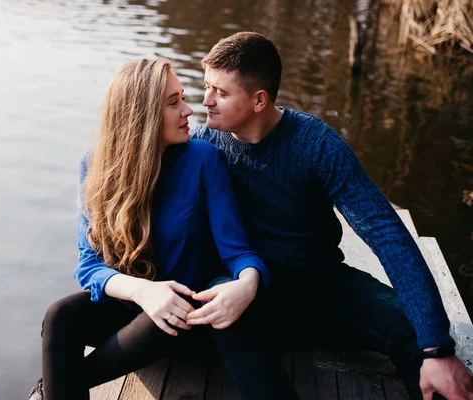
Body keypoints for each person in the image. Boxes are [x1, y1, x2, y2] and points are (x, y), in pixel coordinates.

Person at [186, 32, 473, 399]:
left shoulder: (317, 145)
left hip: (318, 284)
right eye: (206, 86)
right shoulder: (205, 146)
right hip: (247, 287)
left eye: (220, 93)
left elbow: (385, 232)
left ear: (259, 100)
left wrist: (436, 348)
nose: (205, 101)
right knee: (220, 307)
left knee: (416, 332)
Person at [27, 57, 271, 400]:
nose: (189, 110)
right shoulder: (94, 166)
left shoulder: (203, 159)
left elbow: (239, 252)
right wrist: (143, 292)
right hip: (129, 306)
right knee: (59, 316)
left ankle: (57, 385)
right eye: (173, 103)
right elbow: (89, 266)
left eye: (183, 97)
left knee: (173, 303)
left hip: (181, 322)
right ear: (139, 115)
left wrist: (247, 283)